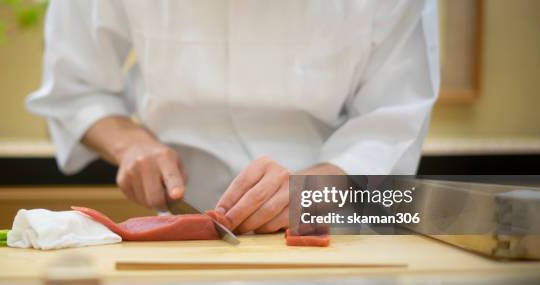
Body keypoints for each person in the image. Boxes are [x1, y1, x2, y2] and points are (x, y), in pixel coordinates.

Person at [27, 0, 439, 234]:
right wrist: (131, 144)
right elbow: (76, 88)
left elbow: (393, 112)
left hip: (328, 229)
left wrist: (318, 183)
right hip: (181, 229)